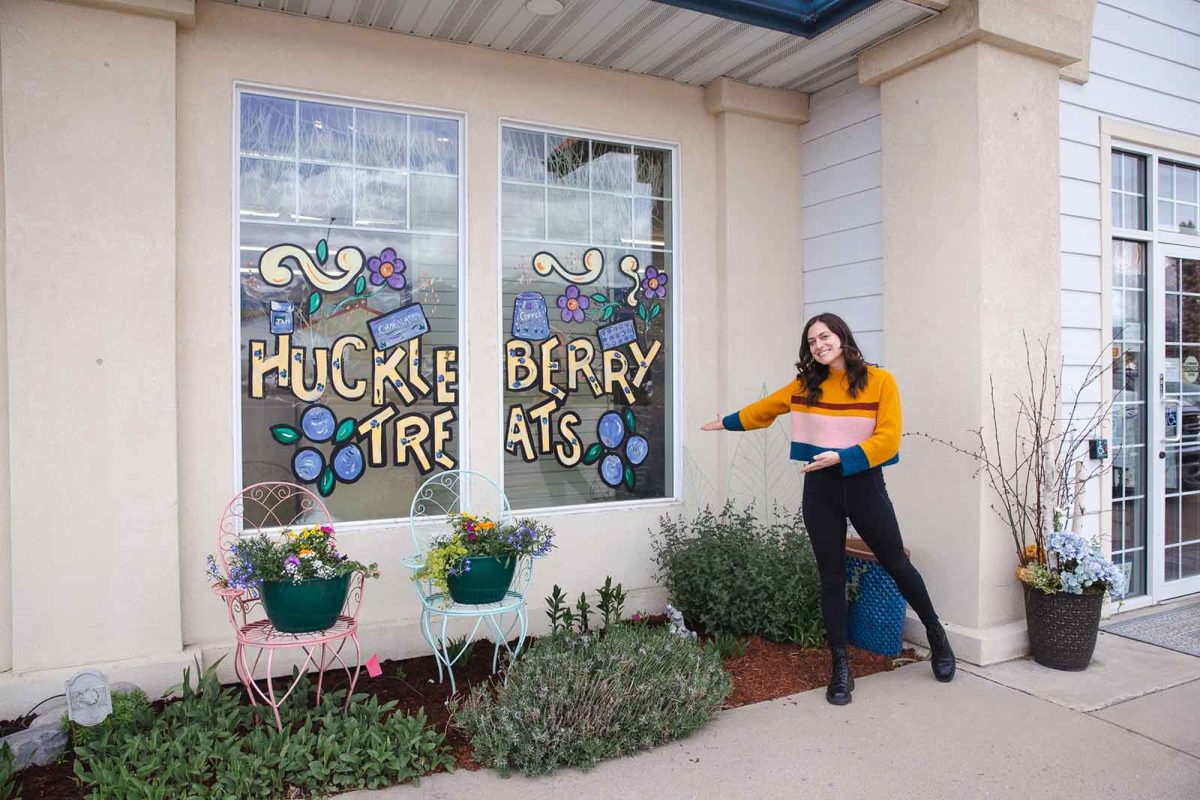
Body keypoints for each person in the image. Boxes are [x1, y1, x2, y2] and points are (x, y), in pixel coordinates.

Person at [701, 312, 955, 705]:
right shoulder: (807, 385)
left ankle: (937, 636)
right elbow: (766, 408)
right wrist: (729, 422)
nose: (819, 345)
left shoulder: (880, 381)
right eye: (812, 342)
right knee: (831, 577)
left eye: (824, 336)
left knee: (894, 562)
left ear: (841, 336)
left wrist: (842, 457)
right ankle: (841, 667)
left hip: (864, 483)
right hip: (819, 487)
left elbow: (888, 440)